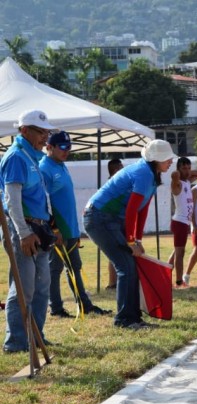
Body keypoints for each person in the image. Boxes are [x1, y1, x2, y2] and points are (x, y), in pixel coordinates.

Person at [83, 139, 176, 329]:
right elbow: (132, 210)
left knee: (131, 265)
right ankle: (124, 320)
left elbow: (143, 209)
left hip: (112, 219)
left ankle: (133, 317)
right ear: (155, 159)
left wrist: (138, 239)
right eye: (167, 158)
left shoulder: (152, 174)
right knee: (125, 266)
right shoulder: (143, 173)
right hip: (99, 218)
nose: (170, 162)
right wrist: (131, 240)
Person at [0, 109, 56, 353]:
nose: (45, 137)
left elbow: (39, 197)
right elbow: (12, 200)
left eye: (47, 132)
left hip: (39, 228)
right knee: (24, 287)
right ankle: (16, 343)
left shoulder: (31, 156)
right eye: (40, 131)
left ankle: (36, 337)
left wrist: (51, 227)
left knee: (42, 285)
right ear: (24, 131)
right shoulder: (16, 157)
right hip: (24, 228)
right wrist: (23, 233)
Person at [40, 131, 111, 318]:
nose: (67, 151)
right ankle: (56, 308)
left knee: (74, 267)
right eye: (62, 147)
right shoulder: (44, 168)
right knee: (54, 269)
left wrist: (74, 228)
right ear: (50, 147)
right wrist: (54, 229)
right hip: (57, 230)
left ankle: (85, 305)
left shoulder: (61, 165)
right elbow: (43, 202)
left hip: (70, 228)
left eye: (69, 147)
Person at [168, 156, 197, 288]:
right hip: (179, 222)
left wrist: (188, 173)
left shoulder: (188, 182)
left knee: (177, 252)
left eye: (189, 168)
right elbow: (174, 175)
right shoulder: (177, 184)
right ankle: (178, 281)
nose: (187, 171)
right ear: (179, 168)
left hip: (184, 223)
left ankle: (166, 273)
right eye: (184, 168)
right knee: (180, 253)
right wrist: (179, 173)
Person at [105, 158, 124, 290]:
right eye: (122, 168)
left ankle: (114, 282)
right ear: (116, 170)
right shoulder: (114, 184)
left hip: (116, 221)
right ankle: (113, 283)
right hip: (113, 221)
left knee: (115, 253)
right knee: (114, 254)